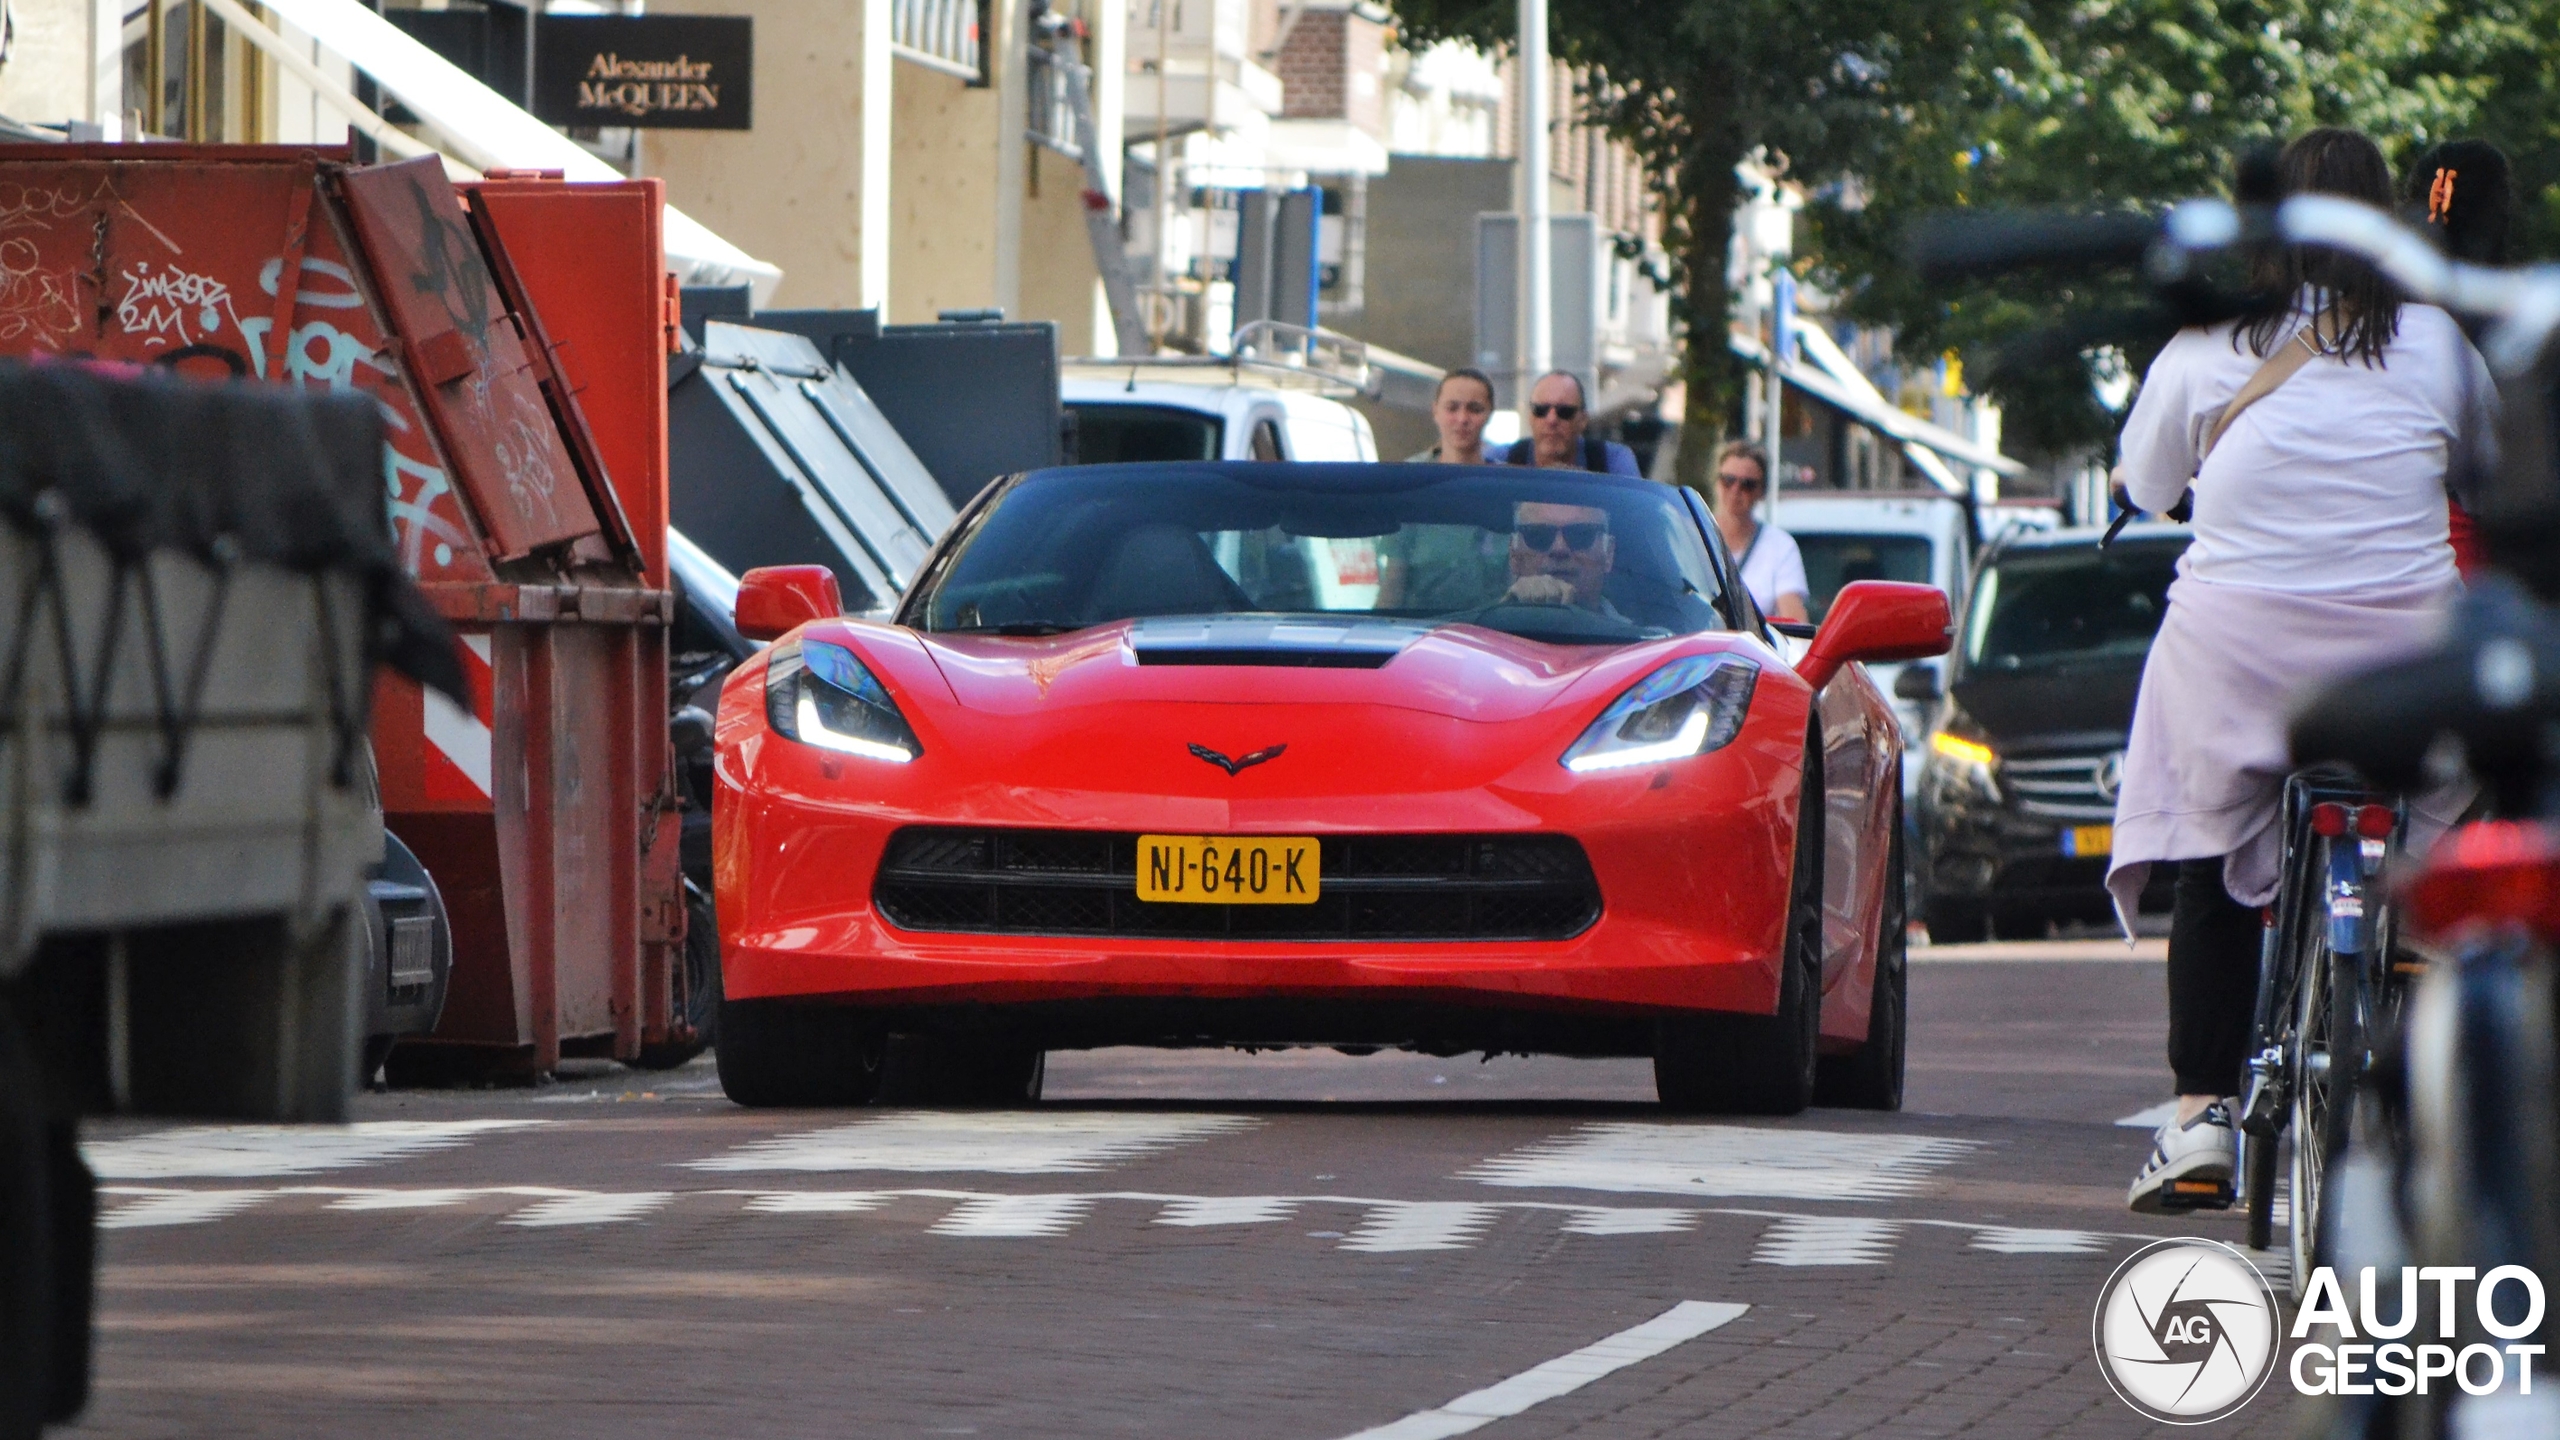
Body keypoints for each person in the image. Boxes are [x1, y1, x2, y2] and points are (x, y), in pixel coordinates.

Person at [2109, 128, 2491, 1214]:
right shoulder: (2435, 344)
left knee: (2209, 853)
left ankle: (2197, 1118)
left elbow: (2146, 482)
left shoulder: (2204, 343)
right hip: (2398, 652)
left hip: (2238, 651)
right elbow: (2485, 471)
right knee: (2450, 817)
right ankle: (2416, 982)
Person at [2403, 139, 2514, 580]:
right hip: (2502, 543)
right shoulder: (2520, 312)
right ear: (2500, 209)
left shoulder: (2372, 314)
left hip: (2406, 539)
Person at [1707, 441, 1810, 622]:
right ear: (1717, 483)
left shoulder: (1780, 547)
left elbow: (1795, 621)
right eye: (1728, 480)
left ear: (1761, 491)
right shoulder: (1691, 536)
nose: (1735, 490)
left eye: (1747, 484)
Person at [1501, 371, 1643, 475]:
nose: (1551, 420)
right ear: (1530, 417)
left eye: (1564, 412)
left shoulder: (1611, 461)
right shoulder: (1501, 460)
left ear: (1583, 420)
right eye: (1541, 410)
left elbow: (1633, 511)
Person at [1502, 501, 1616, 611]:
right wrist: (1504, 613)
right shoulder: (1488, 626)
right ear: (1514, 555)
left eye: (1581, 534)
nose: (1559, 548)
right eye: (1539, 535)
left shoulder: (1628, 631)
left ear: (1609, 554)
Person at [1407, 368, 1497, 464]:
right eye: (1452, 408)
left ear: (1490, 414)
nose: (1462, 418)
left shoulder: (1503, 477)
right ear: (1435, 411)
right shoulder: (1408, 474)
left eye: (1475, 410)